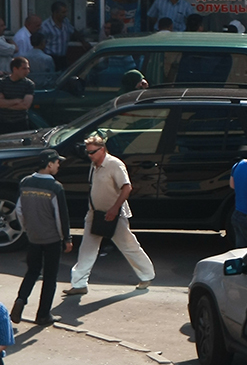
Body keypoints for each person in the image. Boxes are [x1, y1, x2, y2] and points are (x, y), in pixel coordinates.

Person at [66, 133, 155, 295]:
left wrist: (114, 209)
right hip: (95, 213)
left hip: (115, 214)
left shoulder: (115, 164)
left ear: (103, 149)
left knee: (128, 245)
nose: (90, 155)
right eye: (88, 152)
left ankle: (147, 275)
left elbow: (127, 187)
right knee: (87, 248)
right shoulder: (94, 165)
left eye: (93, 152)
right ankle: (79, 284)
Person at [12, 154, 71, 326]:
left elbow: (19, 210)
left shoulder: (25, 182)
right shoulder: (55, 187)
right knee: (50, 276)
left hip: (33, 236)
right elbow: (61, 216)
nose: (59, 165)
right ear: (49, 164)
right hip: (51, 238)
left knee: (32, 271)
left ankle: (21, 300)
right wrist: (65, 238)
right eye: (57, 162)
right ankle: (43, 314)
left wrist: (27, 229)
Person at [0, 56, 34, 135]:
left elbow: (25, 105)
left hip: (20, 123)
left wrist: (6, 104)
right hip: (3, 122)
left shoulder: (29, 84)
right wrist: (16, 101)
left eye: (28, 68)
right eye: (24, 69)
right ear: (15, 69)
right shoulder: (2, 83)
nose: (27, 71)